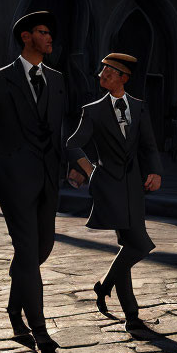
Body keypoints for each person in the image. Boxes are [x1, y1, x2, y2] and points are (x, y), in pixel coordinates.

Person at [0, 10, 70, 353]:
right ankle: (40, 333)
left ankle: (13, 309)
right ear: (26, 37)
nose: (49, 37)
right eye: (42, 31)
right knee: (27, 252)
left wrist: (75, 167)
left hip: (48, 179)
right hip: (11, 178)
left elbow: (59, 131)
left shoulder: (57, 80)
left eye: (50, 32)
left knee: (40, 251)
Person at [67, 53, 163, 334]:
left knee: (130, 245)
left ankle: (126, 310)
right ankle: (117, 298)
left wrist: (155, 172)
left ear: (124, 78)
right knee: (140, 244)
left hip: (134, 186)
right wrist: (90, 170)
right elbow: (73, 145)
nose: (103, 75)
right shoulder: (93, 110)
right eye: (102, 71)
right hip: (108, 185)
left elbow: (148, 145)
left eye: (110, 72)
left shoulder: (139, 107)